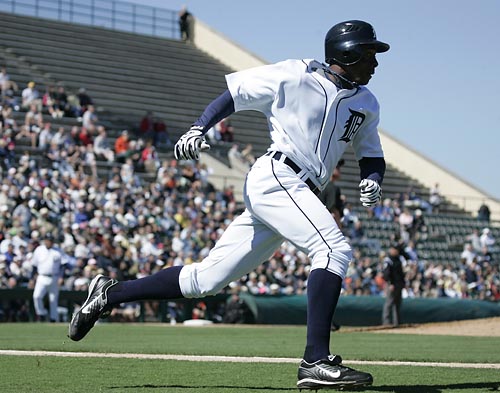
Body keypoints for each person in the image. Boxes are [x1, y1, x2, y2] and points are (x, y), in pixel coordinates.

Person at [69, 20, 389, 391]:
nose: (375, 63)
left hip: (300, 191)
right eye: (369, 53)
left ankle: (110, 293)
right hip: (277, 176)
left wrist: (373, 179)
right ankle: (315, 360)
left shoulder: (366, 103)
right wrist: (198, 128)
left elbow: (372, 155)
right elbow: (234, 95)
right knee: (333, 249)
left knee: (204, 280)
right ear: (346, 52)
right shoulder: (295, 73)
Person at [31, 233, 64, 322]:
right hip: (41, 276)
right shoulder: (39, 250)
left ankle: (53, 319)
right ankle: (41, 314)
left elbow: (63, 265)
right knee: (37, 296)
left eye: (51, 240)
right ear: (45, 240)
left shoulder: (58, 250)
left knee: (53, 300)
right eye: (48, 240)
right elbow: (34, 265)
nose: (49, 242)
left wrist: (61, 277)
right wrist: (31, 278)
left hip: (54, 277)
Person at [381, 243, 406, 327]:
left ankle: (397, 322)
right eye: (394, 249)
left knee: (397, 303)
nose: (396, 251)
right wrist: (390, 283)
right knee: (389, 303)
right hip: (392, 284)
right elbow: (386, 273)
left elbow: (401, 273)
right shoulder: (388, 260)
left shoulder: (398, 259)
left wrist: (403, 283)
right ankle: (386, 321)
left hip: (399, 284)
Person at [318, 159, 345, 228]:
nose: (339, 170)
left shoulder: (318, 185)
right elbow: (333, 211)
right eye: (337, 167)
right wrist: (339, 228)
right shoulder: (332, 188)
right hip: (326, 225)